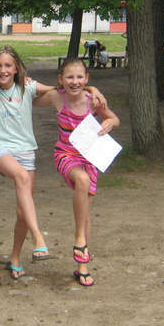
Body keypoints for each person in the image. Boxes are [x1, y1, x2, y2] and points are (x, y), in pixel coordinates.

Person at [0, 46, 105, 280]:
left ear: (16, 68)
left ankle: (15, 258)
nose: (3, 70)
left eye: (8, 65)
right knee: (21, 177)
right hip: (1, 150)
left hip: (26, 152)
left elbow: (63, 89)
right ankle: (38, 238)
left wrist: (92, 88)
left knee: (23, 212)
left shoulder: (28, 87)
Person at [35, 58, 120, 286]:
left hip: (89, 157)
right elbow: (29, 100)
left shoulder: (93, 101)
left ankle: (82, 266)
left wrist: (110, 123)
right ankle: (80, 238)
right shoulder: (57, 97)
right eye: (69, 77)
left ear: (87, 78)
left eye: (80, 77)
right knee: (81, 180)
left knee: (86, 214)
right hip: (65, 155)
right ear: (61, 79)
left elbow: (114, 118)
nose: (75, 82)